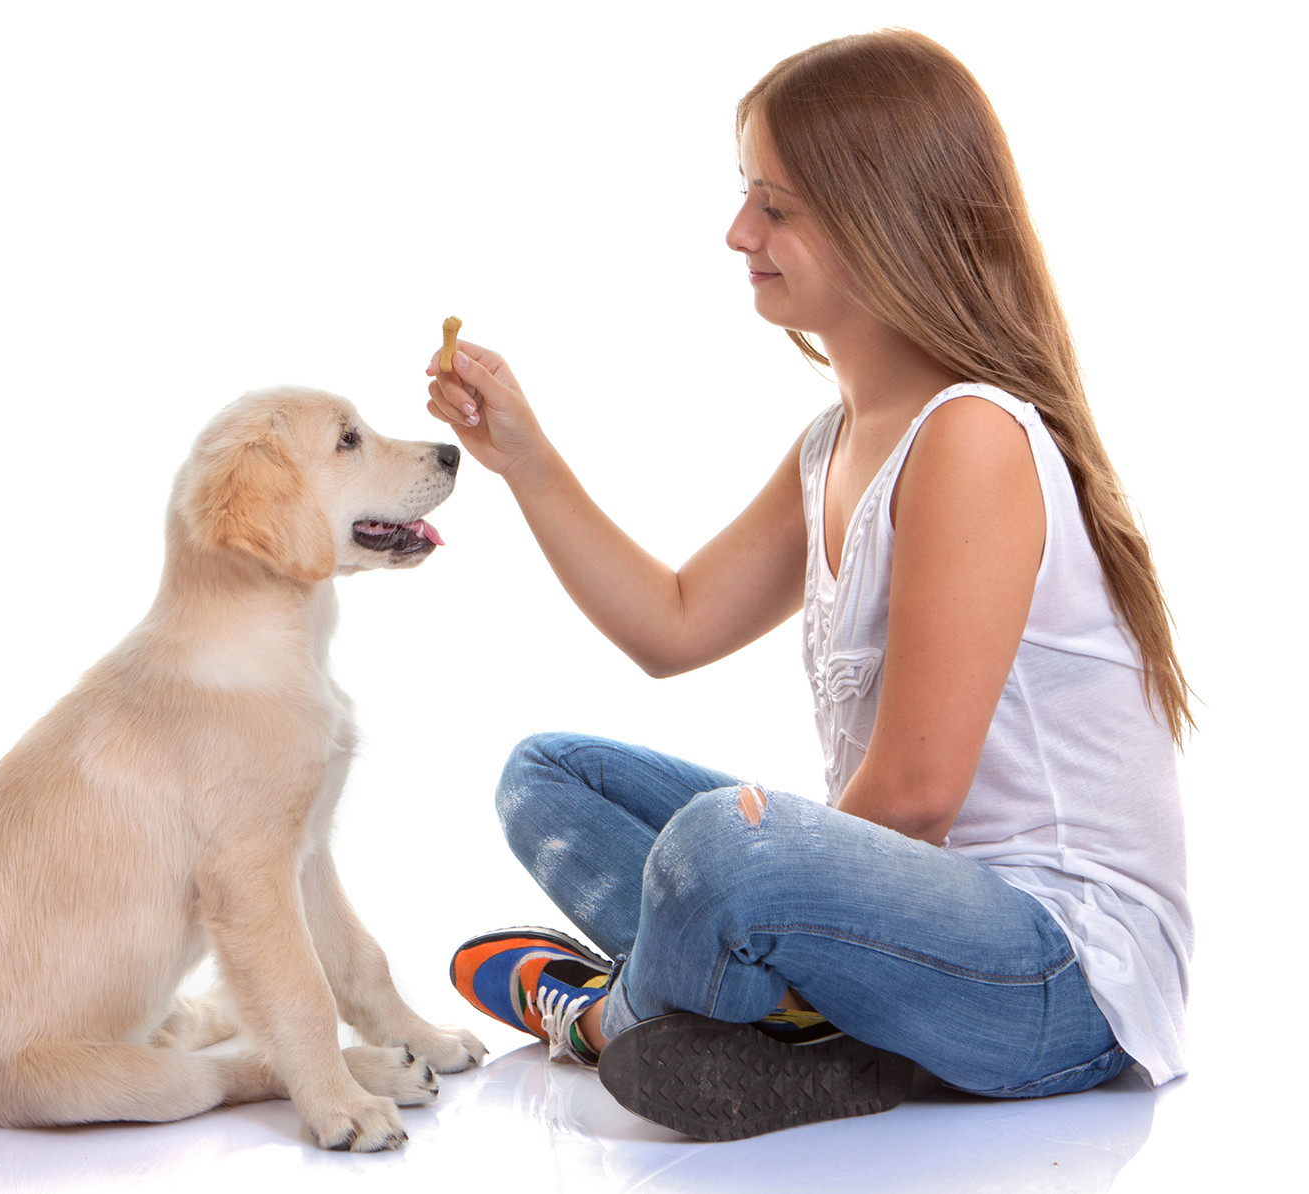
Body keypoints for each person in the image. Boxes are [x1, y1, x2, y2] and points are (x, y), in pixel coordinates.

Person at [425, 29, 1192, 1142]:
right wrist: (526, 460)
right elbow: (673, 625)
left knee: (722, 847)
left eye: (775, 208)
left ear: (884, 217)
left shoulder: (973, 437)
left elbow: (920, 793)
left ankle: (609, 1016)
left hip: (1056, 981)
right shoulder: (832, 446)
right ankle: (791, 1019)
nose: (740, 234)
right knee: (546, 776)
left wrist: (766, 871)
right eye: (749, 200)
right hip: (912, 930)